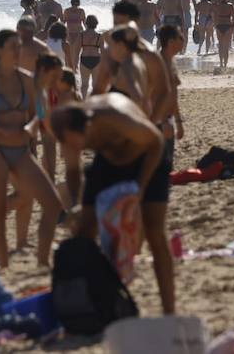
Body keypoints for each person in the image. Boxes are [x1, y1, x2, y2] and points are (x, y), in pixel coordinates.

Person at [52, 93, 173, 314]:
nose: (72, 147)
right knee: (84, 233)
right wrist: (76, 206)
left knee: (155, 231)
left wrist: (140, 187)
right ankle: (91, 304)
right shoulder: (67, 128)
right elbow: (72, 170)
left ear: (88, 127)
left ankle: (169, 310)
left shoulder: (115, 117)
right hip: (109, 161)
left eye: (75, 142)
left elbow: (155, 141)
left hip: (148, 156)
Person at [0, 29, 61, 268]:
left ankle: (42, 261)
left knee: (51, 203)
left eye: (19, 46)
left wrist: (31, 129)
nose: (19, 51)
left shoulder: (27, 79)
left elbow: (37, 115)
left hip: (20, 149)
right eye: (13, 47)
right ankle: (4, 265)